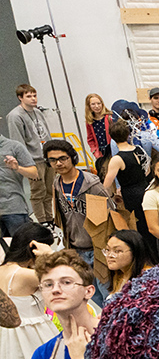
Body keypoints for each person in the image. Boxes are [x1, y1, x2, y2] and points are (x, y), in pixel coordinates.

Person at [0, 223, 57, 359]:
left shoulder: (3, 269)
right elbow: (63, 278)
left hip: (7, 336)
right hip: (31, 334)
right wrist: (48, 256)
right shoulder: (25, 275)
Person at [45, 139, 123, 287]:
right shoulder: (56, 183)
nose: (58, 163)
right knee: (90, 293)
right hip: (76, 249)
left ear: (72, 158)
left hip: (98, 249)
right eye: (53, 160)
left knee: (107, 292)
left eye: (63, 158)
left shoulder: (91, 184)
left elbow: (111, 216)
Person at [103, 119, 154, 258]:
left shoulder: (117, 159)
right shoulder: (139, 150)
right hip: (146, 188)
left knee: (141, 227)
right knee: (150, 223)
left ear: (112, 138)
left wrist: (107, 197)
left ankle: (148, 257)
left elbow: (107, 182)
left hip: (131, 193)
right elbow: (147, 170)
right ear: (127, 135)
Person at [7, 84, 51, 224]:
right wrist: (26, 163)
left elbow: (46, 134)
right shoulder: (15, 116)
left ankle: (50, 218)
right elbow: (18, 142)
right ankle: (42, 221)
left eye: (34, 95)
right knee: (39, 191)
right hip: (33, 160)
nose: (33, 99)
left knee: (49, 190)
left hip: (46, 157)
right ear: (20, 98)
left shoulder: (37, 112)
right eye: (29, 96)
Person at [0, 128, 36, 236]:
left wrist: (17, 168)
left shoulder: (14, 146)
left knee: (22, 249)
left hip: (13, 209)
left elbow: (34, 173)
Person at [103, 229, 151, 295]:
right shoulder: (119, 276)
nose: (110, 255)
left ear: (135, 252)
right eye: (107, 250)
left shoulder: (148, 278)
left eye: (117, 251)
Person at [85, 93, 117, 160]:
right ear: (89, 106)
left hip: (113, 150)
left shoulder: (110, 117)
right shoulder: (89, 121)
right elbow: (90, 139)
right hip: (100, 153)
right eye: (93, 104)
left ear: (102, 104)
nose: (96, 106)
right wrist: (94, 151)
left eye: (98, 103)